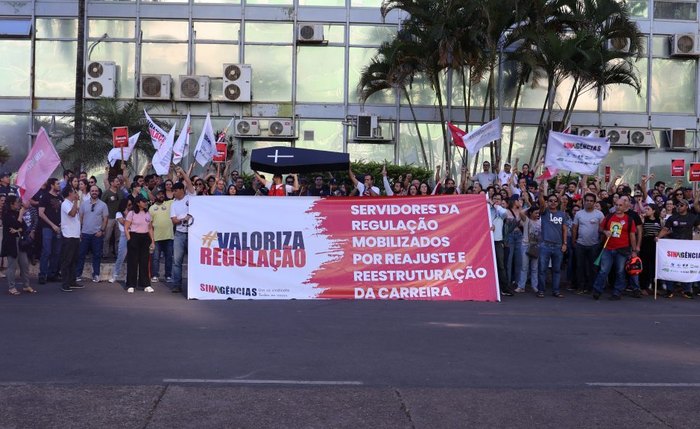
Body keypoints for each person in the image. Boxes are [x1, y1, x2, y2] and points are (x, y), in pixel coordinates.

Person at [591, 200, 639, 300]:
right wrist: (605, 231)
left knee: (620, 272)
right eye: (616, 205)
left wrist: (634, 251)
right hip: (608, 248)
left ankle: (617, 292)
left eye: (620, 205)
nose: (618, 207)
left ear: (625, 207)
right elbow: (600, 228)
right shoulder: (609, 217)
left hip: (622, 250)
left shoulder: (629, 219)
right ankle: (597, 290)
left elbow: (632, 235)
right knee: (603, 271)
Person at [656, 198, 700, 299]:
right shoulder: (672, 218)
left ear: (686, 207)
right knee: (671, 267)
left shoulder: (692, 217)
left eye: (681, 205)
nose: (679, 207)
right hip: (673, 246)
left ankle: (687, 290)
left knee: (687, 268)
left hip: (687, 248)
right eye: (678, 205)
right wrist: (658, 237)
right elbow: (665, 229)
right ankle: (669, 290)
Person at [537, 188, 568, 298]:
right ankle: (541, 290)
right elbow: (541, 202)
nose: (553, 202)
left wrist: (565, 243)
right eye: (550, 200)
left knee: (556, 270)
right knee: (542, 269)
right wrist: (540, 192)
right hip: (545, 245)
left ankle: (556, 291)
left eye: (555, 201)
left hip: (558, 246)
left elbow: (565, 229)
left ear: (558, 202)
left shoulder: (562, 214)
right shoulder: (544, 212)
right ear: (547, 202)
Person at [572, 193, 604, 294]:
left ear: (594, 203)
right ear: (584, 201)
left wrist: (600, 242)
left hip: (594, 245)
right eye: (587, 200)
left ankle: (592, 287)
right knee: (580, 266)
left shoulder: (599, 214)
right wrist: (574, 241)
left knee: (593, 268)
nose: (589, 202)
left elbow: (603, 229)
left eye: (591, 201)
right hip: (580, 244)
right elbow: (574, 228)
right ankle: (580, 287)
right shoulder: (579, 214)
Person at [75, 185, 109, 283]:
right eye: (92, 191)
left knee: (97, 255)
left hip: (96, 235)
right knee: (81, 255)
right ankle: (78, 274)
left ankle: (96, 275)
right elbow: (80, 217)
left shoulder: (103, 205)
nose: (94, 192)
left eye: (96, 191)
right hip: (85, 234)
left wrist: (102, 231)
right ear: (90, 192)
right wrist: (80, 231)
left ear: (98, 192)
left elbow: (105, 219)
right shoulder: (84, 204)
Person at [170, 168, 195, 294]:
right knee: (177, 261)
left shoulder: (190, 197)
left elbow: (189, 183)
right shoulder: (173, 204)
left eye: (175, 190)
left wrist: (183, 173)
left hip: (192, 233)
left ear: (181, 190)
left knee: (193, 260)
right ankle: (176, 285)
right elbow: (174, 220)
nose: (173, 193)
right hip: (179, 234)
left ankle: (194, 284)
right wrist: (183, 220)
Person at [2, 196, 33, 295]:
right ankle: (12, 287)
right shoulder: (6, 214)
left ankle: (26, 285)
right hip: (11, 242)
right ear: (11, 204)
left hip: (20, 241)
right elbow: (13, 225)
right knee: (12, 266)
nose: (19, 204)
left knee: (24, 264)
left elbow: (23, 227)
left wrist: (17, 230)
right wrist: (19, 217)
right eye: (17, 202)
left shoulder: (17, 213)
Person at [124, 196, 155, 294]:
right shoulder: (131, 213)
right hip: (134, 236)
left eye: (146, 201)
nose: (145, 203)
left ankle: (146, 284)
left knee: (144, 261)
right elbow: (126, 228)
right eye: (143, 201)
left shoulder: (147, 213)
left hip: (145, 237)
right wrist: (130, 240)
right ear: (138, 203)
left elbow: (150, 228)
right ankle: (131, 284)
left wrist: (152, 241)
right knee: (133, 262)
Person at [38, 178, 63, 284]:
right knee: (47, 251)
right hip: (47, 228)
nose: (59, 185)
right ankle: (42, 275)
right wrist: (52, 225)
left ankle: (52, 274)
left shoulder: (60, 197)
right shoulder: (45, 197)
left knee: (56, 252)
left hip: (58, 228)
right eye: (57, 184)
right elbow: (41, 213)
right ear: (52, 185)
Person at [59, 186, 81, 292]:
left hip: (75, 235)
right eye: (74, 192)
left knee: (74, 260)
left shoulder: (72, 203)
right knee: (67, 260)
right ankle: (65, 283)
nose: (76, 194)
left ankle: (72, 281)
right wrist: (76, 202)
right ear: (69, 193)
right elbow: (72, 214)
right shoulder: (65, 204)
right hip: (68, 235)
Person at [490, 194, 513, 296]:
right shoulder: (487, 210)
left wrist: (493, 204)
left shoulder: (501, 211)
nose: (496, 201)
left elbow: (505, 213)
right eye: (494, 199)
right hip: (486, 241)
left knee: (501, 266)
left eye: (498, 199)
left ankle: (505, 288)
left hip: (498, 242)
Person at [149, 186, 173, 283]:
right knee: (155, 258)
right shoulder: (151, 208)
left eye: (162, 193)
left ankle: (168, 275)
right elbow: (149, 225)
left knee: (169, 258)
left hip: (169, 236)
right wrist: (151, 239)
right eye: (159, 194)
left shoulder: (170, 203)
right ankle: (155, 275)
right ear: (155, 196)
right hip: (156, 238)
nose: (161, 195)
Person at [516, 205, 541, 293]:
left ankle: (535, 286)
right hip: (525, 245)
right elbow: (521, 212)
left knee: (534, 268)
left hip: (536, 246)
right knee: (524, 267)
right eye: (536, 212)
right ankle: (521, 286)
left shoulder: (540, 221)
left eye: (538, 213)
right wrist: (530, 207)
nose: (538, 214)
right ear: (531, 213)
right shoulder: (527, 220)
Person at [639, 203, 661, 294]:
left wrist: (659, 235)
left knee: (655, 267)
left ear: (653, 211)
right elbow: (640, 231)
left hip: (656, 244)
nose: (646, 210)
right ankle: (643, 287)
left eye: (648, 209)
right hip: (645, 243)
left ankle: (656, 287)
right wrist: (641, 219)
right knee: (645, 266)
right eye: (645, 209)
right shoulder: (644, 218)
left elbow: (663, 230)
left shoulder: (659, 220)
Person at [109, 198, 131, 283]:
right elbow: (125, 223)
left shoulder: (132, 213)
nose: (130, 206)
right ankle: (115, 275)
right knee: (121, 256)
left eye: (131, 205)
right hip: (123, 235)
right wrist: (126, 215)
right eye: (128, 205)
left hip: (132, 234)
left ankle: (128, 277)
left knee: (131, 257)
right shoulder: (118, 213)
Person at [102, 176, 123, 258]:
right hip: (109, 217)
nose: (118, 182)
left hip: (119, 218)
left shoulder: (120, 192)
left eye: (119, 181)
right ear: (111, 183)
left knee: (118, 237)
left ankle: (118, 253)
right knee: (107, 237)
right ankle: (105, 254)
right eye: (116, 181)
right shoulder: (106, 193)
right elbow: (102, 205)